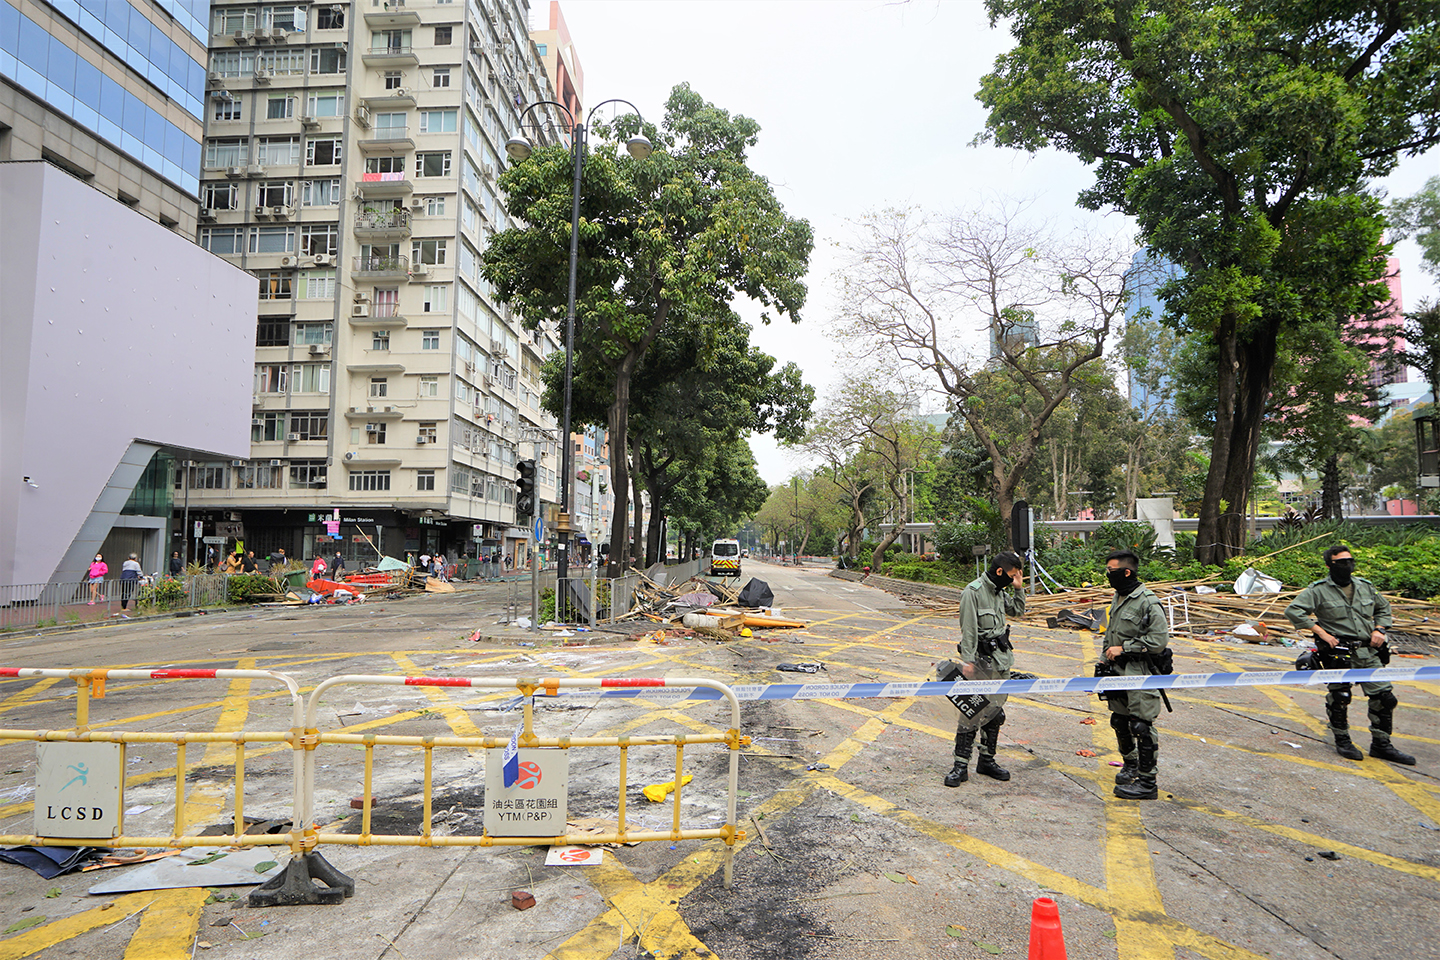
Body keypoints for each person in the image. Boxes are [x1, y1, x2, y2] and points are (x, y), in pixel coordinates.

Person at [1285, 545, 1414, 765]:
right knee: (1340, 698)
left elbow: (1383, 609)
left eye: (1350, 561)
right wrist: (1321, 633)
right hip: (1339, 653)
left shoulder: (1365, 587)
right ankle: (1342, 740)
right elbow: (1294, 610)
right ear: (1329, 565)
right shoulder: (1318, 590)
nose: (1347, 565)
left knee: (1385, 697)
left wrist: (1380, 629)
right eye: (1341, 562)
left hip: (1368, 651)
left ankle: (1381, 744)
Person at [944, 550, 1026, 787]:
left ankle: (986, 760)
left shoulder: (999, 592)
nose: (1012, 580)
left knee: (995, 713)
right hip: (979, 662)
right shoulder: (974, 592)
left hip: (1000, 662)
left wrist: (1018, 588)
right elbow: (968, 628)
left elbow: (1018, 612)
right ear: (999, 571)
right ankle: (960, 765)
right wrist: (967, 661)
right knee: (971, 712)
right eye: (1011, 575)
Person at [1100, 549, 1171, 800]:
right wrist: (1102, 663)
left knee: (1141, 725)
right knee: (1119, 720)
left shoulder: (1147, 601)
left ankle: (1147, 782)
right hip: (1117, 671)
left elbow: (1159, 641)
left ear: (1126, 572)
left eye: (1111, 571)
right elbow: (1110, 634)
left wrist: (1125, 648)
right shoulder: (1118, 597)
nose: (1108, 575)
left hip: (1140, 671)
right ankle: (1130, 765)